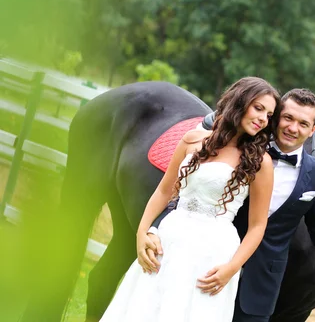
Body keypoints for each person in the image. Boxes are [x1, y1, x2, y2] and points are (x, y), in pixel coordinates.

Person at [140, 88, 315, 321]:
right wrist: (153, 228)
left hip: (259, 290)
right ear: (276, 118)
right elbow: (190, 193)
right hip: (207, 267)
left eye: (303, 123)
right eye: (288, 118)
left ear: (313, 130)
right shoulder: (241, 150)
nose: (293, 128)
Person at [100, 77, 281, 322]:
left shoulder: (261, 163)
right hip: (170, 238)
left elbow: (258, 226)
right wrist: (142, 231)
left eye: (269, 115)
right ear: (239, 102)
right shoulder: (192, 139)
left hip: (213, 252)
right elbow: (164, 191)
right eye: (258, 108)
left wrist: (231, 268)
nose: (262, 118)